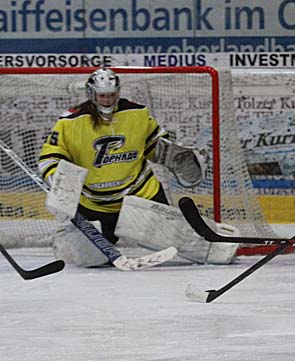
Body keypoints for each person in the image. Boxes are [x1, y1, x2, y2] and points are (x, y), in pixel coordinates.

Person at [38, 68, 211, 267]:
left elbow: (155, 146)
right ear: (92, 94)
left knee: (179, 240)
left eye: (112, 95)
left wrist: (179, 158)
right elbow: (51, 156)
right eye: (102, 96)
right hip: (94, 203)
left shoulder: (137, 113)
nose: (107, 100)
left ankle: (219, 245)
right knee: (86, 258)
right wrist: (57, 180)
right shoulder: (70, 122)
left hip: (140, 194)